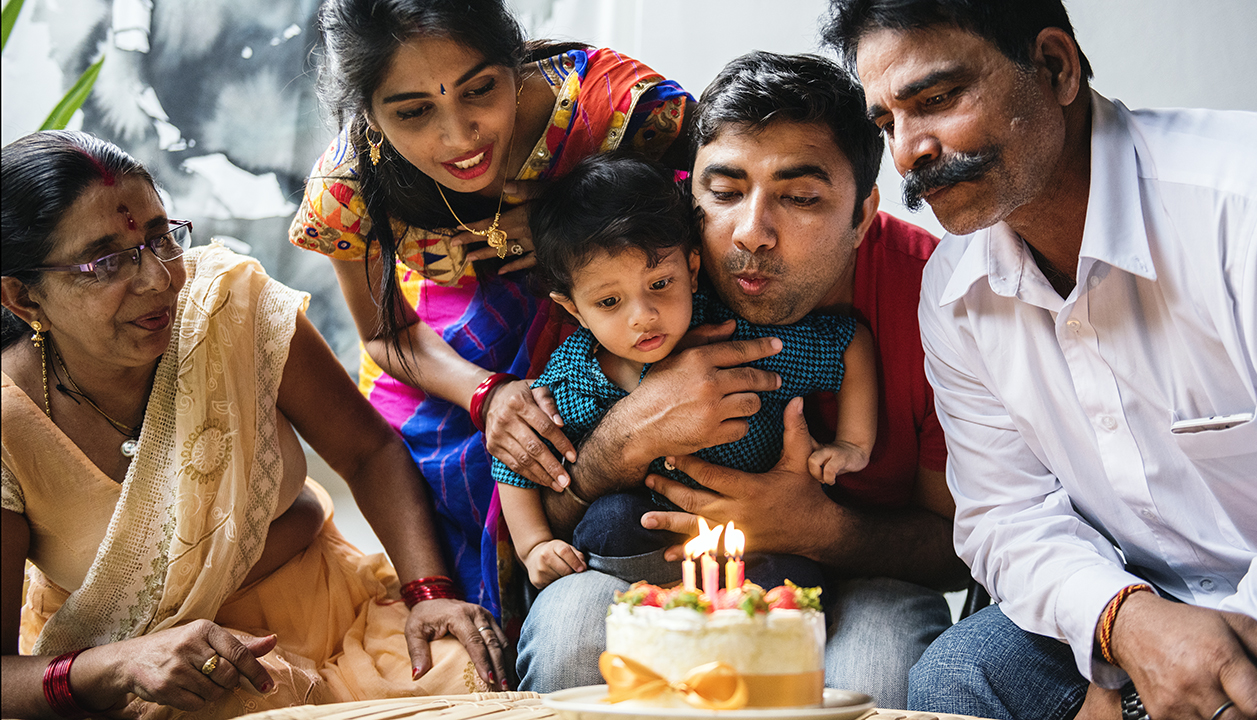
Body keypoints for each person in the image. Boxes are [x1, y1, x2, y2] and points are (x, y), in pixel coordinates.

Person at [825, 0, 1257, 718]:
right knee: (959, 675)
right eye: (888, 123)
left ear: (1056, 67)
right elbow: (1004, 513)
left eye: (937, 100)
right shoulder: (952, 289)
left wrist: (1199, 663)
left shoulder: (1255, 202)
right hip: (1140, 599)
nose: (910, 148)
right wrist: (1123, 623)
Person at [1, 131, 512, 720]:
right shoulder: (11, 426)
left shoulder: (227, 307)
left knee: (462, 677)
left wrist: (429, 592)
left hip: (335, 623)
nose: (159, 279)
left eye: (160, 238)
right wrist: (120, 664)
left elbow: (368, 452)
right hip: (140, 681)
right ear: (23, 298)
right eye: (107, 261)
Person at [516, 52, 969, 709]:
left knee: (877, 663)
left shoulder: (940, 304)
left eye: (802, 197)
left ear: (863, 213)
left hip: (868, 573)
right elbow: (552, 509)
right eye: (724, 193)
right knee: (570, 632)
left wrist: (817, 529)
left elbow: (958, 552)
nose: (752, 233)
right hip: (646, 566)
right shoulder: (631, 274)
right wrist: (628, 433)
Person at [287, 0, 693, 628]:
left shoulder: (614, 107)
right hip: (448, 363)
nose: (459, 137)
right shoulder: (351, 187)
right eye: (413, 111)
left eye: (481, 90)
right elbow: (385, 333)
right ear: (367, 112)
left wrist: (580, 224)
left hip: (628, 335)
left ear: (516, 61)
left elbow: (717, 212)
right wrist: (488, 397)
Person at [492, 152, 876, 591]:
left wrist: (853, 442)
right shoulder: (574, 377)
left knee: (800, 581)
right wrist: (534, 545)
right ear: (572, 308)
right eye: (609, 302)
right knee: (609, 521)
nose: (643, 316)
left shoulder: (735, 340)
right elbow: (514, 466)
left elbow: (849, 343)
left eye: (659, 284)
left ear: (691, 270)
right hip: (646, 548)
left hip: (753, 545)